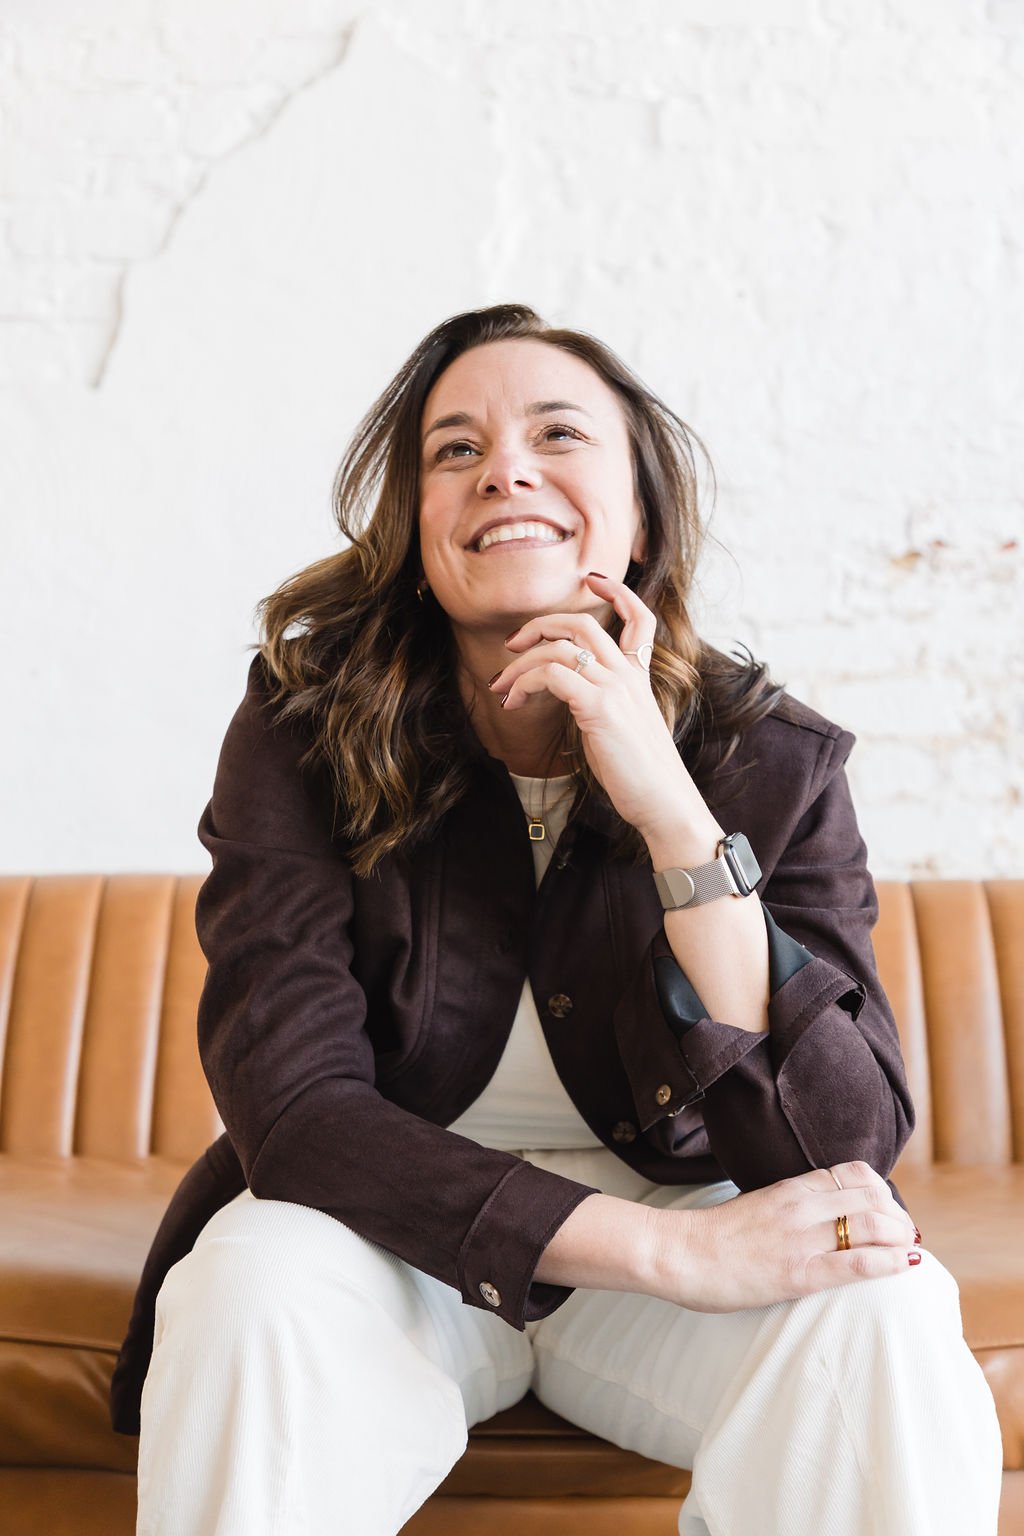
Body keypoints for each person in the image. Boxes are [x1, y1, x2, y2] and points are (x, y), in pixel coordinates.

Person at [114, 302, 1003, 1535]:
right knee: (248, 1287)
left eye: (556, 434)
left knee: (885, 1307)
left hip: (684, 1233)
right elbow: (297, 1115)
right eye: (455, 449)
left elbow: (842, 1140)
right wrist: (668, 1257)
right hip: (393, 1246)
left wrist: (673, 816)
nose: (506, 468)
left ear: (638, 515)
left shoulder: (770, 759)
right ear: (416, 529)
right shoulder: (301, 727)